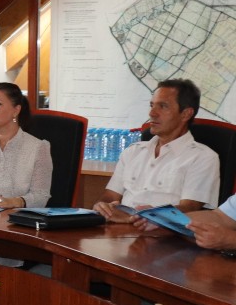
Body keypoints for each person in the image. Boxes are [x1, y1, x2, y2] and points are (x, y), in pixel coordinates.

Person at [94, 78, 219, 223]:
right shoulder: (133, 151)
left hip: (165, 233)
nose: (152, 113)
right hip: (119, 229)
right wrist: (102, 206)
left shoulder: (203, 157)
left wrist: (147, 216)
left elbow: (190, 208)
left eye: (163, 106)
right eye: (152, 105)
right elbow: (110, 197)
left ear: (186, 114)